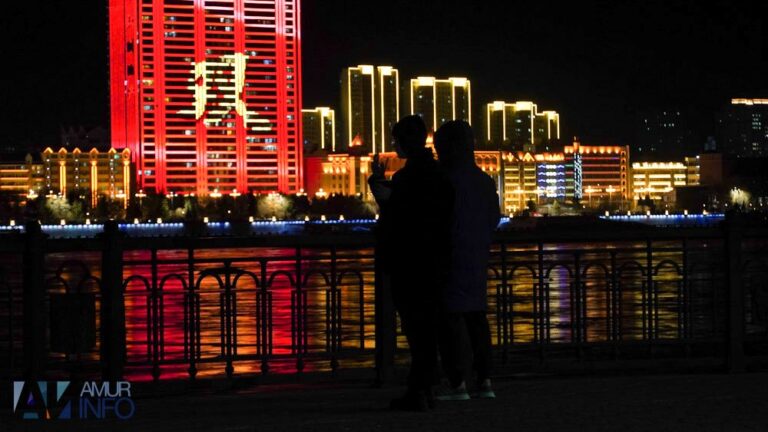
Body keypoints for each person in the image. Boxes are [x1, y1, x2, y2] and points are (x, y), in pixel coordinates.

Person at [369, 115, 454, 411]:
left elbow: (398, 216)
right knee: (428, 327)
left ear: (406, 141)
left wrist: (378, 186)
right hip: (436, 260)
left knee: (416, 329)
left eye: (396, 141)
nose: (395, 146)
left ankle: (418, 390)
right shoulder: (438, 173)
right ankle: (427, 387)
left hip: (410, 261)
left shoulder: (407, 178)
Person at [432, 120, 501, 400]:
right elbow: (493, 218)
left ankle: (456, 382)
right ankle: (484, 380)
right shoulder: (484, 180)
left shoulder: (443, 179)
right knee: (477, 318)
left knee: (448, 320)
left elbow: (434, 219)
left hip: (447, 257)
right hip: (477, 256)